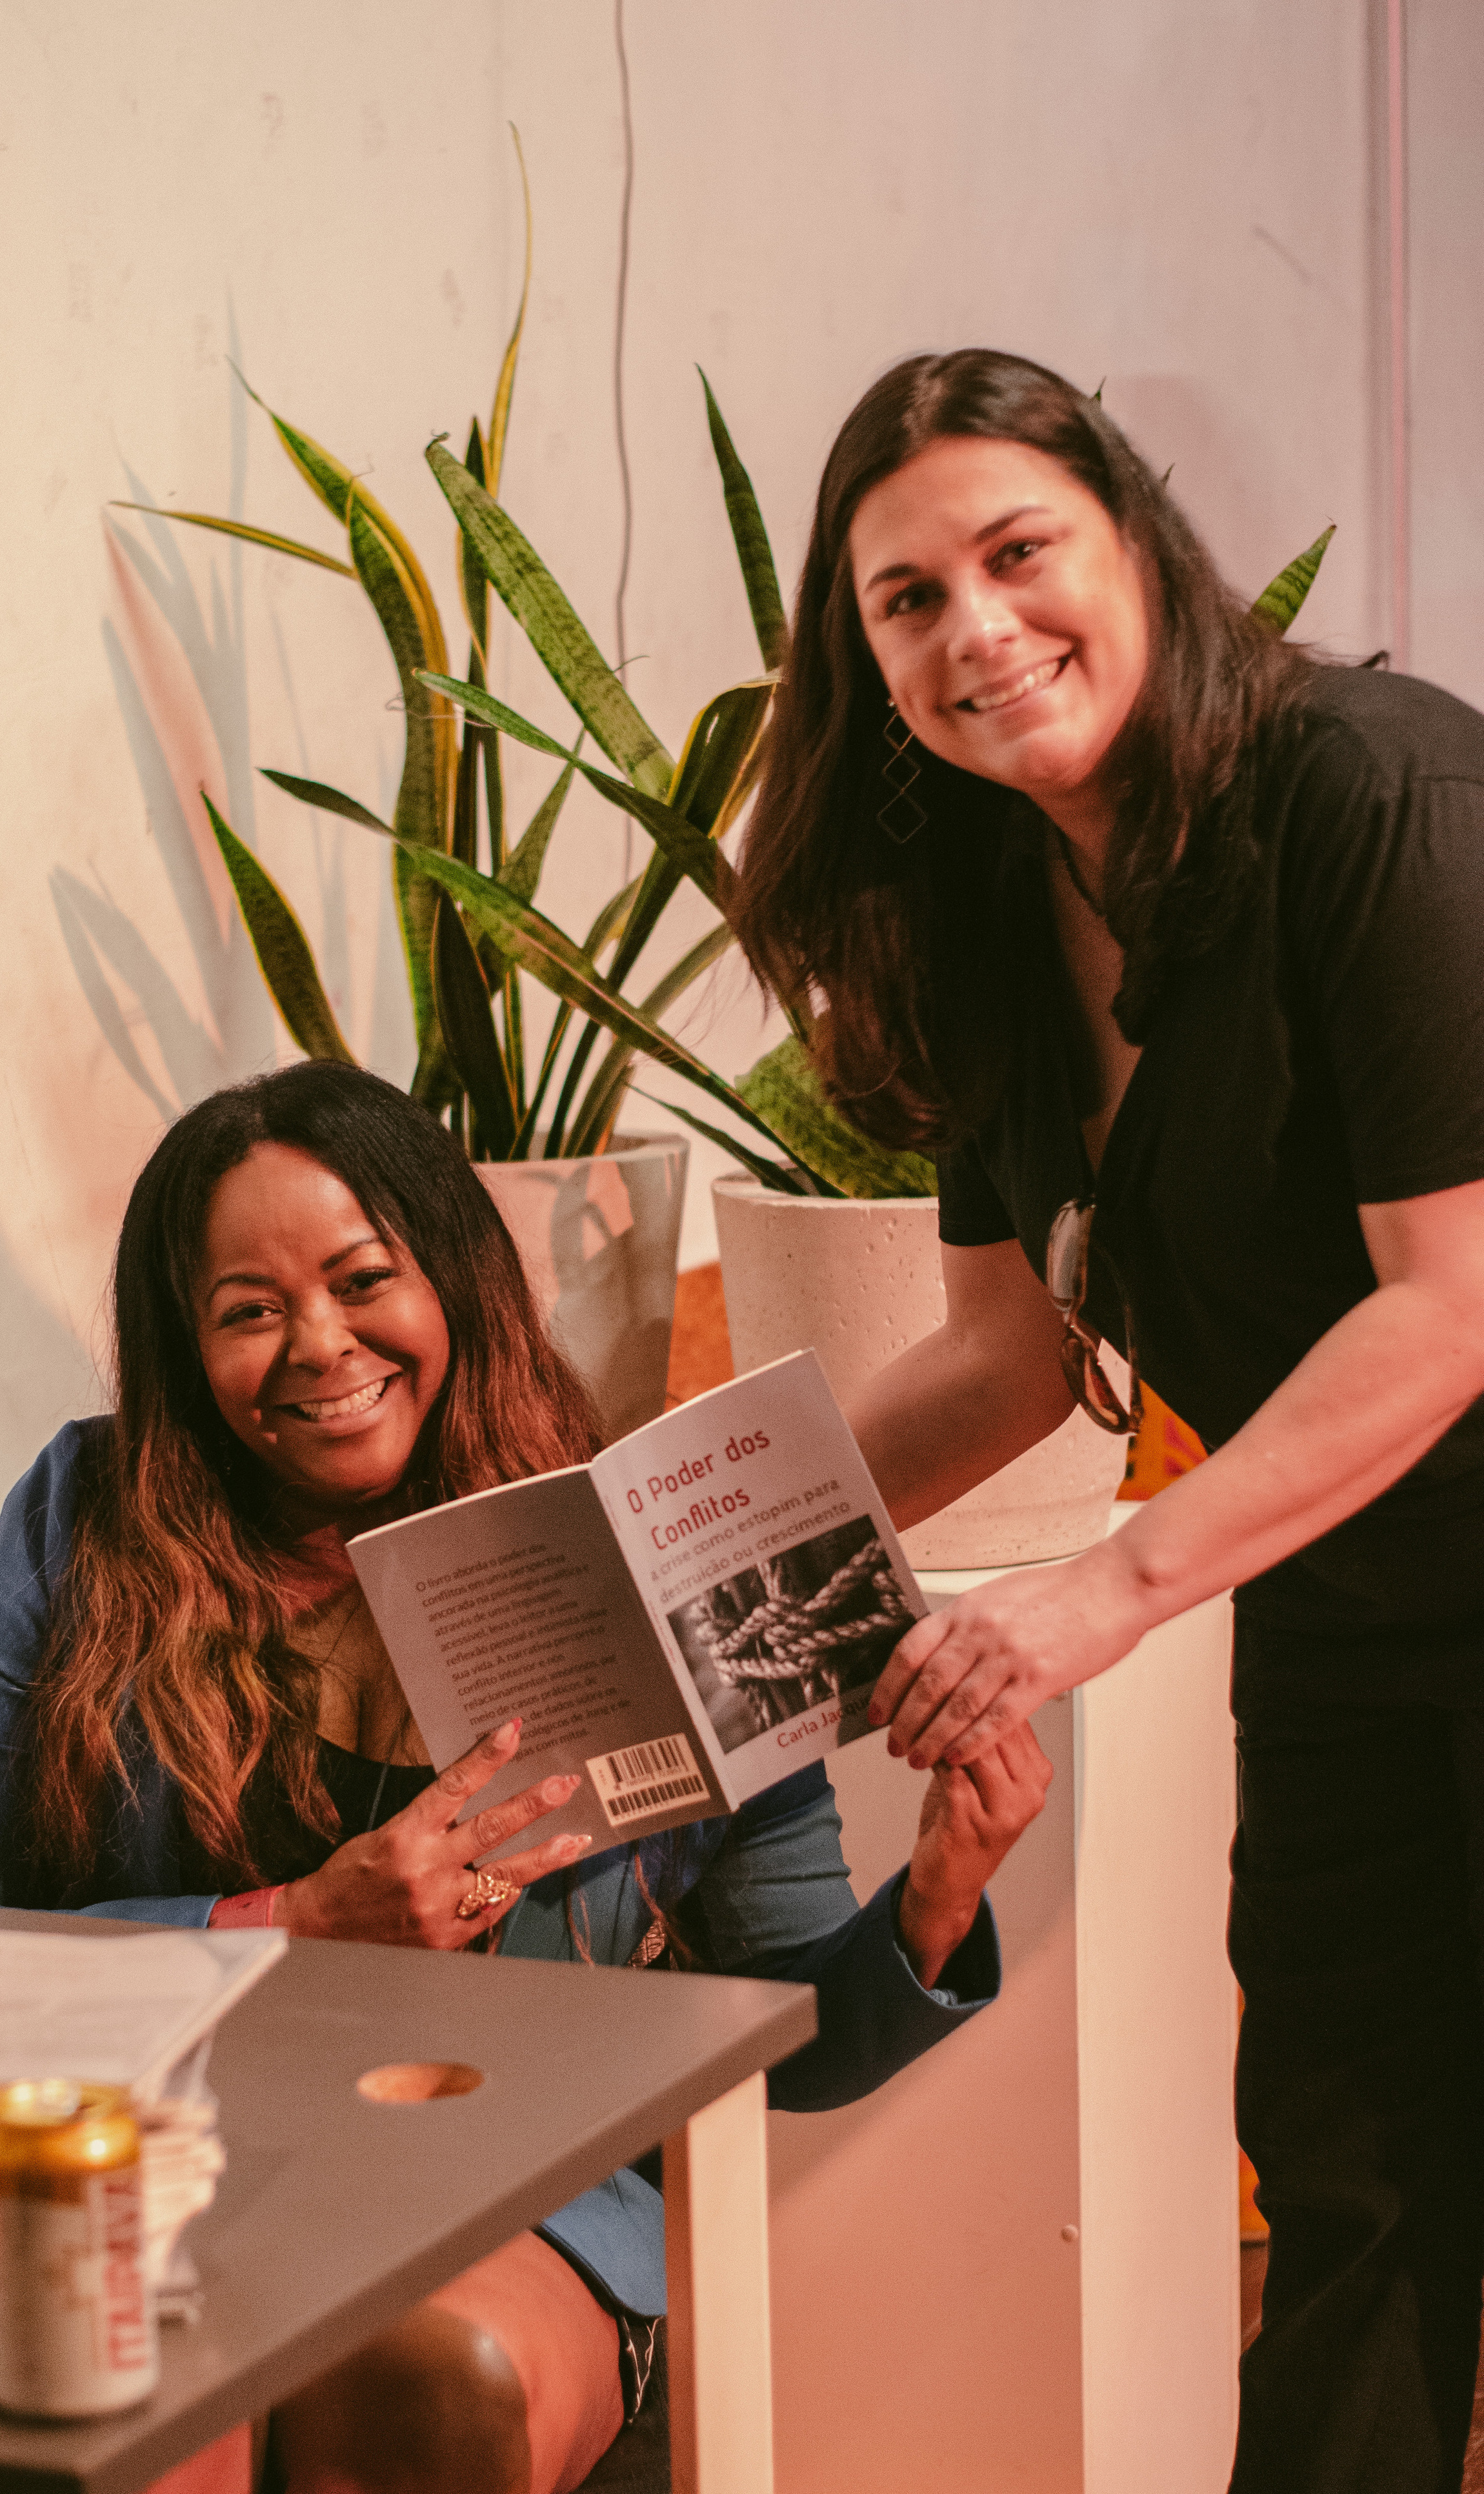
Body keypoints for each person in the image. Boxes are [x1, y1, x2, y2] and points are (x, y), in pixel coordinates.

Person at [0, 1059, 1050, 2494]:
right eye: (248, 1310)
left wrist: (937, 1893)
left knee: (428, 2375)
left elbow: (789, 2036)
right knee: (164, 2408)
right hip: (163, 2165)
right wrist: (281, 1924)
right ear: (185, 1347)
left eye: (364, 1279)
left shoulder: (650, 1558)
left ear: (455, 1283)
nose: (317, 1344)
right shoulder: (78, 1529)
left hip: (523, 2201)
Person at [730, 345, 1484, 2494]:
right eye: (906, 600)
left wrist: (1102, 1590)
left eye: (1016, 550)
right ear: (863, 660)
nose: (978, 628)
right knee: (1354, 2202)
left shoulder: (1376, 793)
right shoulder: (986, 914)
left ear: (1134, 542)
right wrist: (683, 1547)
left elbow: (1450, 1307)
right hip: (1349, 1615)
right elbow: (1000, 1354)